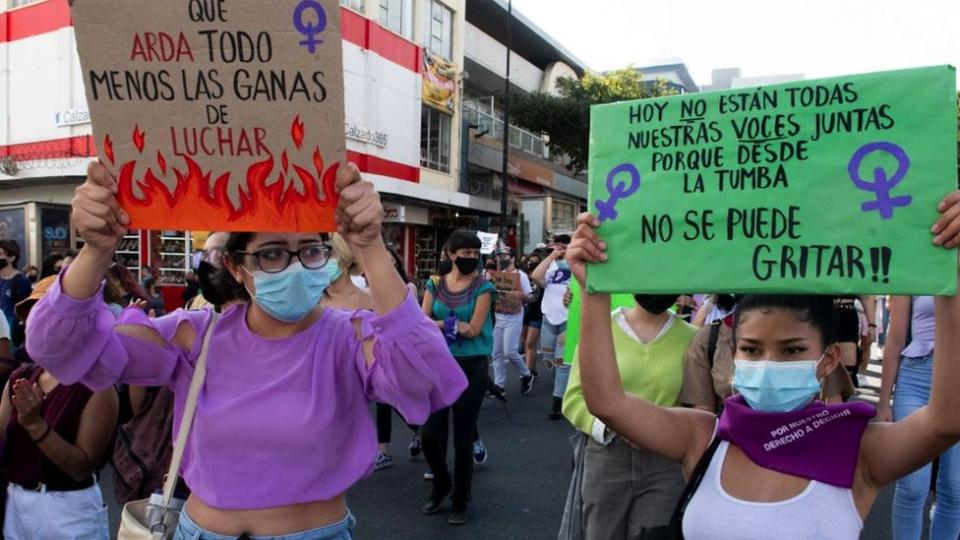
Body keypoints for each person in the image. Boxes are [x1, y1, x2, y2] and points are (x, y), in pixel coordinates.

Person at [25, 161, 467, 538]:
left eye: (310, 251)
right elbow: (60, 346)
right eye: (272, 254)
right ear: (237, 267)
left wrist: (369, 244)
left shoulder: (351, 336)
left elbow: (425, 380)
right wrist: (96, 251)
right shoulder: (195, 334)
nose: (295, 267)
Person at [563, 190, 960, 539]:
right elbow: (608, 402)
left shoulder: (859, 448)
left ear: (829, 359)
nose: (768, 362)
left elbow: (946, 420)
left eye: (790, 351)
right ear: (733, 351)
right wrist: (593, 290)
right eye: (751, 350)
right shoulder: (703, 437)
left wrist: (950, 281)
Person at [563, 294, 697, 537]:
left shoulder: (692, 336)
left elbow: (696, 406)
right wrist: (616, 426)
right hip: (608, 454)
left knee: (654, 533)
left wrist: (658, 429)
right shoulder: (601, 329)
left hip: (665, 461)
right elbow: (574, 398)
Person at [1, 275, 119, 540]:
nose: (35, 326)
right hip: (17, 503)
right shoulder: (19, 377)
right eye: (32, 317)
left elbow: (80, 467)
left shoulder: (97, 386)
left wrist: (35, 425)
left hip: (68, 511)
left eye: (46, 319)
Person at [420, 229, 495, 525]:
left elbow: (474, 329)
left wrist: (437, 324)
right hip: (438, 365)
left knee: (463, 439)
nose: (471, 258)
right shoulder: (434, 284)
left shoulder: (484, 287)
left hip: (472, 367)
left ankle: (460, 499)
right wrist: (451, 324)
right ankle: (442, 483)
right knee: (429, 436)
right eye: (465, 253)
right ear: (451, 254)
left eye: (475, 254)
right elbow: (421, 321)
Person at [877, 295, 960, 539]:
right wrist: (883, 402)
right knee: (912, 487)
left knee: (954, 489)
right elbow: (895, 338)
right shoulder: (919, 264)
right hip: (916, 378)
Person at [373, 245, 423, 468]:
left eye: (390, 261)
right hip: (378, 347)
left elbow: (408, 317)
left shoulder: (408, 287)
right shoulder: (369, 288)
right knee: (382, 400)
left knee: (399, 397)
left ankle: (419, 428)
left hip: (402, 349)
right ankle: (383, 451)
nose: (386, 265)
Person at [531, 235, 572, 420]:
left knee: (561, 362)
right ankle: (564, 387)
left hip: (569, 320)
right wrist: (551, 256)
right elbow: (536, 276)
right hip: (549, 319)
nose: (561, 248)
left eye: (565, 245)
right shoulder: (552, 266)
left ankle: (558, 402)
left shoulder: (577, 266)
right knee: (549, 360)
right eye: (558, 245)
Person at [490, 246, 535, 396]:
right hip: (499, 316)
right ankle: (499, 386)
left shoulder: (520, 275)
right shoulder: (498, 275)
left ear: (513, 258)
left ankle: (526, 374)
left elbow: (530, 297)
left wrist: (522, 296)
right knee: (496, 352)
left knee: (510, 352)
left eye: (505, 255)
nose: (502, 258)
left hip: (514, 317)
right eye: (500, 255)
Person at [0, 240, 31, 346]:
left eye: (0, 254)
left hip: (11, 328)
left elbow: (25, 309)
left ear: (11, 258)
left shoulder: (21, 281)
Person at [187, 232, 229, 311]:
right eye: (205, 254)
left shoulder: (254, 313)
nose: (207, 262)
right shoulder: (196, 304)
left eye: (217, 255)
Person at [521, 251, 545, 380]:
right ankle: (531, 367)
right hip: (524, 313)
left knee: (530, 342)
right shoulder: (522, 276)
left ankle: (528, 373)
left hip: (537, 313)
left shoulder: (542, 276)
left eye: (536, 261)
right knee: (526, 342)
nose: (533, 263)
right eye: (530, 261)